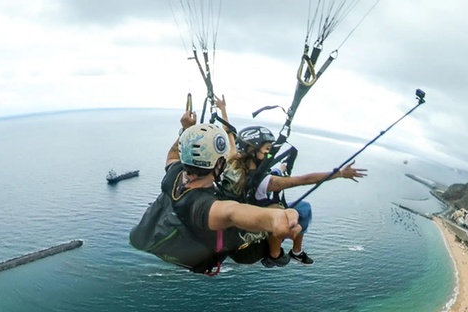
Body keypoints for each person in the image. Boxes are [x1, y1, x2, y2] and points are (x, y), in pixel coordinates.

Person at [150, 109, 302, 272]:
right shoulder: (205, 204)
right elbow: (232, 212)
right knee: (295, 210)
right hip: (246, 251)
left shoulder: (174, 175)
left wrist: (188, 129)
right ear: (218, 167)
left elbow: (173, 154)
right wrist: (274, 217)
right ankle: (276, 255)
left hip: (178, 235)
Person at [219, 125, 366, 267]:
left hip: (236, 237)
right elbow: (304, 179)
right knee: (293, 209)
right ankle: (275, 255)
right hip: (252, 246)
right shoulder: (266, 182)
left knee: (295, 206)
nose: (269, 155)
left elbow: (232, 144)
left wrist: (223, 112)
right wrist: (339, 173)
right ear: (252, 150)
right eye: (267, 150)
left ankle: (294, 252)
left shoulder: (233, 168)